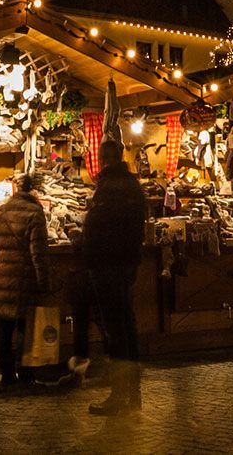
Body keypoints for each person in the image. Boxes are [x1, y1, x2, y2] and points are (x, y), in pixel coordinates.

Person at [80, 139, 147, 415]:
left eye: (103, 156)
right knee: (127, 328)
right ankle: (133, 394)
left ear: (106, 158)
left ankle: (119, 396)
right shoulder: (133, 186)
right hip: (127, 266)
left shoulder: (108, 188)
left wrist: (85, 245)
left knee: (116, 331)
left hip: (108, 267)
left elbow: (97, 227)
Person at [0, 172, 52, 385]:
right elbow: (39, 252)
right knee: (26, 327)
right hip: (25, 277)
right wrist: (44, 281)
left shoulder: (1, 210)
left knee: (5, 327)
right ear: (32, 190)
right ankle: (25, 372)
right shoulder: (35, 213)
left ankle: (6, 374)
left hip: (2, 275)